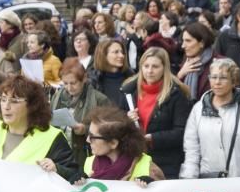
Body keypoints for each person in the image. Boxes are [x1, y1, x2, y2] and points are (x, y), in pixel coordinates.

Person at [181, 58, 240, 179]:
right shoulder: (198, 109)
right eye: (213, 77)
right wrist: (188, 181)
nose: (217, 82)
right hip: (208, 184)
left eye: (223, 78)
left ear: (234, 81)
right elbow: (191, 151)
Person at [119, 48, 192, 179]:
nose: (149, 71)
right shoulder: (128, 90)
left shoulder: (176, 94)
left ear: (164, 68)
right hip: (134, 159)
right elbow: (117, 124)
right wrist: (126, 119)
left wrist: (152, 138)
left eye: (155, 66)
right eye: (146, 66)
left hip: (165, 162)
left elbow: (181, 132)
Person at [52, 58, 110, 168]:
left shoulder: (99, 99)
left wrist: (85, 129)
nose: (69, 88)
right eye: (65, 83)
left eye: (73, 83)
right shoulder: (57, 96)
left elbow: (109, 130)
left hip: (85, 155)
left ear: (84, 79)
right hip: (60, 154)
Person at [176, 22, 218, 99]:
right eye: (183, 40)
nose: (183, 46)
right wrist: (180, 74)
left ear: (201, 43)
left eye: (188, 41)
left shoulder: (219, 63)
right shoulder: (187, 60)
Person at [91, 38, 131, 105]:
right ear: (103, 55)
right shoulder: (93, 80)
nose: (121, 56)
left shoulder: (130, 78)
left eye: (122, 52)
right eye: (116, 52)